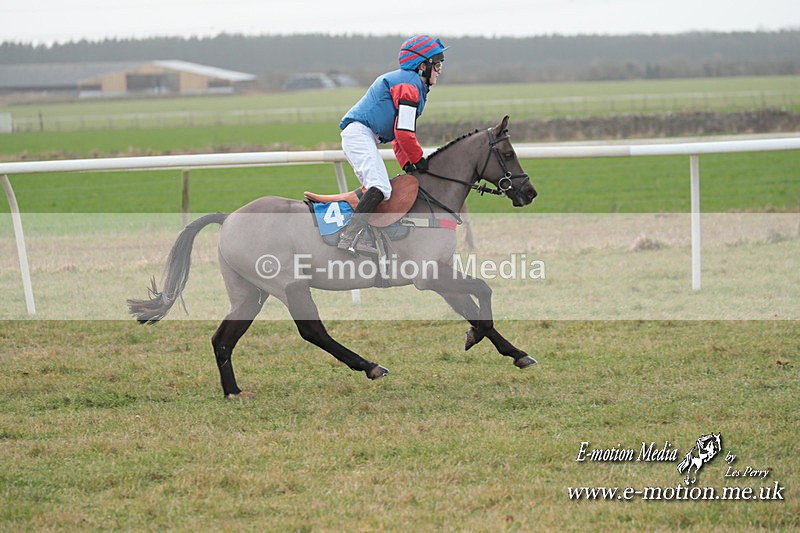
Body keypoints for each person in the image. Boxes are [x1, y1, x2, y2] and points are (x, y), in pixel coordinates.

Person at [337, 34, 448, 254]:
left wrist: (408, 164)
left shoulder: (412, 84)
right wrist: (419, 160)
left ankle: (368, 235)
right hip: (360, 134)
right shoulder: (409, 86)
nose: (439, 71)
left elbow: (398, 135)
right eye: (437, 65)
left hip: (365, 135)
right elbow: (404, 132)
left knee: (381, 189)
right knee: (380, 187)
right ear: (422, 66)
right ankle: (349, 237)